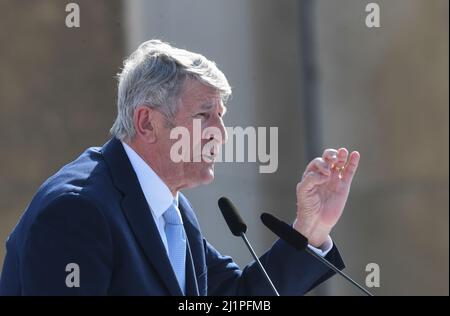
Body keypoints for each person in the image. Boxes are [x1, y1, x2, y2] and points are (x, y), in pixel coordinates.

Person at [0, 40, 360, 295]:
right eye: (204, 116)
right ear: (147, 123)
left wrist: (309, 229)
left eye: (221, 117)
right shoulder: (77, 211)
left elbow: (237, 298)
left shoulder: (170, 207)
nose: (220, 134)